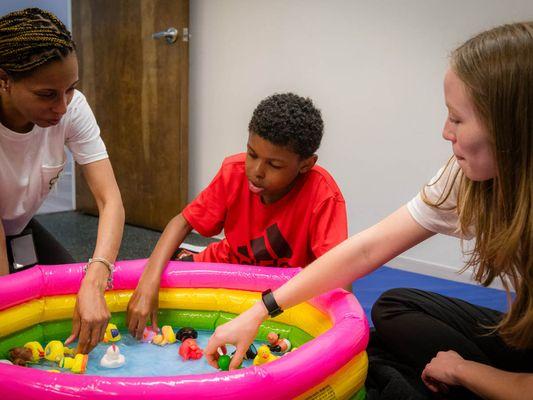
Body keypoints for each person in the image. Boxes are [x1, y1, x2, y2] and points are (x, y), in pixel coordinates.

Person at [204, 22, 533, 399]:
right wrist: (260, 310)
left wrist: (463, 370)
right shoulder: (463, 176)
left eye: (457, 118)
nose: (446, 131)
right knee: (394, 306)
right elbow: (368, 248)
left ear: (512, 129)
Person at [126, 93, 348, 339]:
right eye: (252, 154)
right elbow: (182, 221)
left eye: (274, 165)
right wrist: (148, 282)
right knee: (157, 275)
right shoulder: (233, 172)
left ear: (305, 164)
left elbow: (340, 275)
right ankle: (183, 259)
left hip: (285, 289)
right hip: (227, 267)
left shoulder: (323, 195)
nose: (256, 171)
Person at [0, 8, 125, 354]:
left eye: (69, 89)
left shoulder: (73, 108)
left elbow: (109, 200)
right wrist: (14, 329)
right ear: (4, 79)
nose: (61, 106)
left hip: (18, 226)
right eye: (47, 94)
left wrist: (97, 277)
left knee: (76, 293)